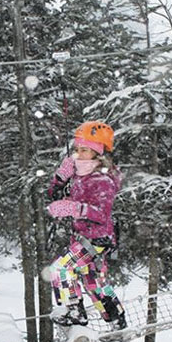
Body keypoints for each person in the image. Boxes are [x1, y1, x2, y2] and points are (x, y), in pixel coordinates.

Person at [44, 121, 127, 330]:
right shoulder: (80, 175)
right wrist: (61, 178)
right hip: (84, 237)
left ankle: (73, 311)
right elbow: (54, 194)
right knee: (93, 282)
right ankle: (116, 319)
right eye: (76, 150)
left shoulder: (102, 180)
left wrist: (74, 208)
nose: (78, 154)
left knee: (61, 269)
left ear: (98, 153)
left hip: (96, 237)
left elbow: (101, 213)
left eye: (84, 150)